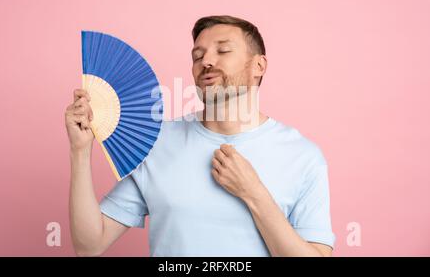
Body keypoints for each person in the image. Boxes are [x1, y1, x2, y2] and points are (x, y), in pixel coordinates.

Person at [65, 15, 335, 257]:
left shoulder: (302, 156)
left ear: (259, 66)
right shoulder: (157, 143)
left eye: (223, 50)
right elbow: (90, 244)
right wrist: (80, 151)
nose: (206, 61)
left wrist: (254, 194)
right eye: (197, 56)